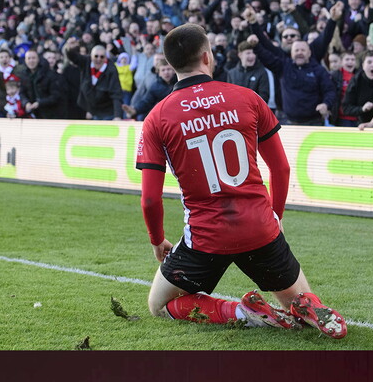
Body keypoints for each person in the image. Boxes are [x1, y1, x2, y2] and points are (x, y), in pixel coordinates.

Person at [135, 23, 347, 339]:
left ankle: (240, 312)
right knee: (297, 301)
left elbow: (150, 199)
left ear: (170, 64)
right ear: (207, 56)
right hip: (260, 227)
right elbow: (281, 169)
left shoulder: (157, 117)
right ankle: (307, 304)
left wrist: (157, 241)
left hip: (205, 237)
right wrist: (277, 216)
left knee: (160, 305)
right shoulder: (246, 97)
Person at [248, 34, 338, 127]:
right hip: (288, 122)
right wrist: (256, 46)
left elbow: (330, 90)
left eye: (303, 50)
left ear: (309, 53)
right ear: (291, 53)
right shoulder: (284, 66)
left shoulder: (319, 70)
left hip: (314, 122)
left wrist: (326, 104)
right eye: (296, 50)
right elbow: (267, 57)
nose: (300, 53)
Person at [64, 40, 123, 120]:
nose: (98, 59)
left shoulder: (111, 69)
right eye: (96, 56)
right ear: (91, 56)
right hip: (86, 107)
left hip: (105, 110)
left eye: (102, 56)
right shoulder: (86, 61)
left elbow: (116, 93)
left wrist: (117, 116)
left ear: (106, 58)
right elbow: (74, 57)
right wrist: (69, 49)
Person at [18, 49, 67, 119]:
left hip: (50, 113)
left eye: (33, 58)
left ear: (38, 59)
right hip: (33, 114)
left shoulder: (49, 74)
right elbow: (22, 93)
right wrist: (26, 103)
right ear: (25, 61)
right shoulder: (23, 74)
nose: (31, 61)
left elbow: (55, 96)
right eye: (29, 58)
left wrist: (40, 103)